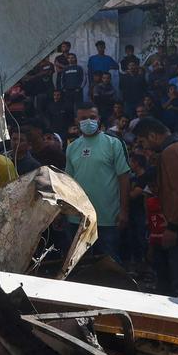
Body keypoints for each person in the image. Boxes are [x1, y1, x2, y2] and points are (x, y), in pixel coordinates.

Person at [65, 105, 131, 264]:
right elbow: (68, 181)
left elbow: (124, 178)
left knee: (110, 265)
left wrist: (124, 210)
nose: (88, 121)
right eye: (83, 118)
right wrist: (63, 211)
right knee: (79, 266)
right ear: (76, 121)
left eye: (92, 117)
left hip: (108, 217)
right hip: (78, 217)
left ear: (99, 118)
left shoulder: (114, 143)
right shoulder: (72, 147)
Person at [133, 117, 178, 293]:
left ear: (152, 135)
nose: (145, 148)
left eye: (143, 142)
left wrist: (172, 227)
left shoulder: (172, 152)